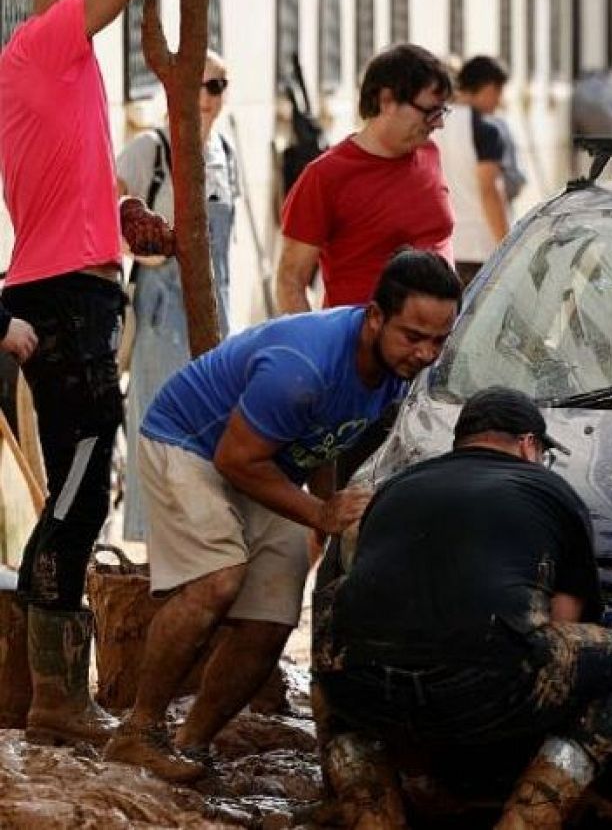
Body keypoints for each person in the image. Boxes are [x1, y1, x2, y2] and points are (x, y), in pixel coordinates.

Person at [103, 250, 461, 782]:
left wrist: (330, 505)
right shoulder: (303, 367)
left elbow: (326, 438)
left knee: (272, 619)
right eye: (414, 336)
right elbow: (234, 458)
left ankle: (190, 743)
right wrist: (321, 513)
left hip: (265, 460)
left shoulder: (392, 367)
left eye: (438, 340)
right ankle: (139, 731)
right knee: (218, 581)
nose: (426, 353)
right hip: (190, 443)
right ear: (374, 317)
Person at [314, 386, 612, 828]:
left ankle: (373, 812)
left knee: (334, 661)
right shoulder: (550, 490)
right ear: (530, 445)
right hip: (484, 683)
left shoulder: (395, 487)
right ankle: (528, 817)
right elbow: (563, 624)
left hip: (362, 684)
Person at [0, 0, 172, 747]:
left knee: (83, 482)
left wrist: (123, 215)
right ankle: (53, 692)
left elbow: (73, 174)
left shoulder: (53, 61)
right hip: (63, 298)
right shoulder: (49, 37)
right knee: (77, 488)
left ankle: (54, 684)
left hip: (77, 288)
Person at [116, 50, 240, 543]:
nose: (207, 98)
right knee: (159, 425)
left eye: (218, 86)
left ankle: (204, 543)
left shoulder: (226, 154)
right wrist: (144, 248)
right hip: (161, 317)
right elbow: (109, 212)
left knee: (212, 427)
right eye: (198, 85)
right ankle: (154, 553)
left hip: (217, 313)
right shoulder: (150, 149)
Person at [276, 44, 455, 313]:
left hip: (440, 345)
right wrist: (318, 351)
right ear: (387, 101)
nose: (438, 124)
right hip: (363, 347)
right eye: (430, 111)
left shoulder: (430, 153)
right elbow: (290, 282)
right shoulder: (325, 176)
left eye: (442, 112)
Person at [440, 54, 513, 287]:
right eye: (499, 92)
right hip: (480, 249)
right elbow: (489, 190)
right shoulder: (486, 130)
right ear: (489, 87)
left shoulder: (433, 123)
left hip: (443, 247)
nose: (498, 102)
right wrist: (508, 245)